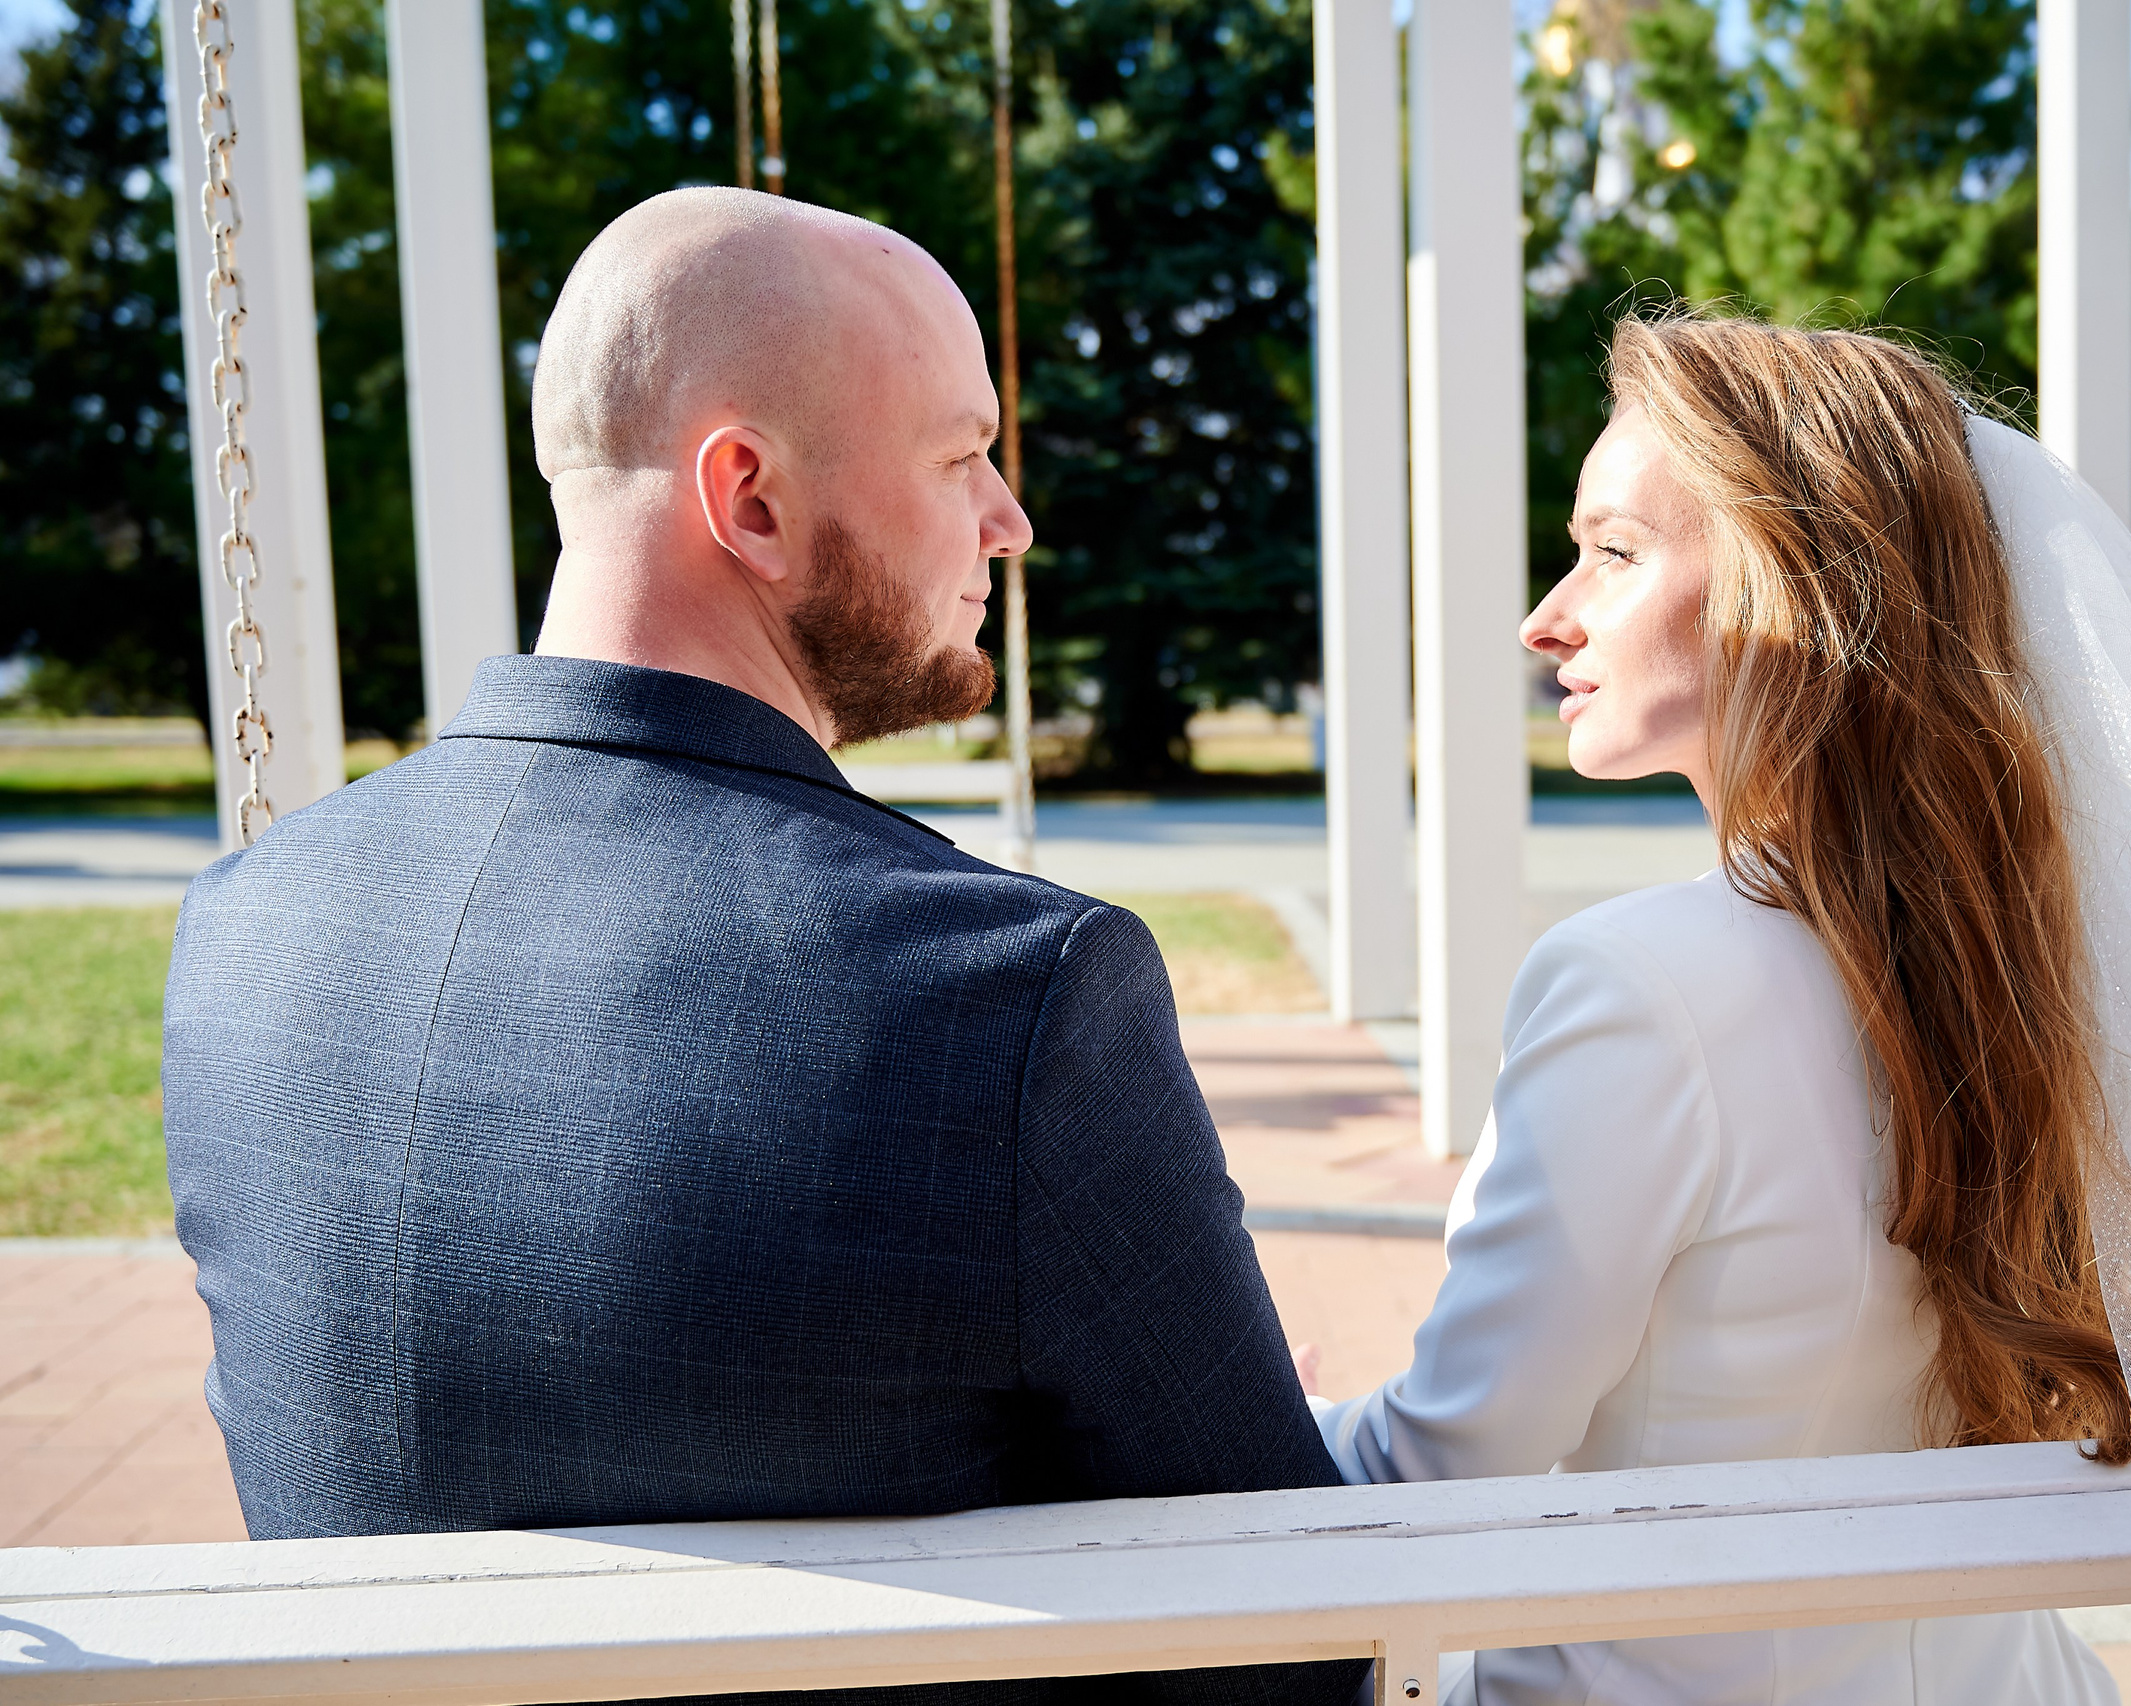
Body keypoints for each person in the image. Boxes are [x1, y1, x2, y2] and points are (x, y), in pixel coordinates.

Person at [160, 189, 1365, 1706]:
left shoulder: (242, 924)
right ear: (752, 500)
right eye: (961, 454)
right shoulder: (1007, 990)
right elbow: (1285, 1634)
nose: (1009, 518)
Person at [1307, 313, 2131, 1706]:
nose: (1548, 617)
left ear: (1786, 583)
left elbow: (1443, 1465)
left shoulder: (1635, 983)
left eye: (1614, 550)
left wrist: (1251, 1408)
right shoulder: (2038, 966)